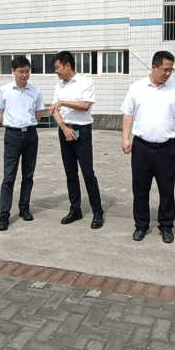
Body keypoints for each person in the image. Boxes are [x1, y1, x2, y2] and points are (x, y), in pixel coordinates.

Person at [121, 51, 175, 243]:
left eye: (171, 70)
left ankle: (166, 226)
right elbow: (128, 114)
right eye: (165, 69)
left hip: (166, 148)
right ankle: (141, 225)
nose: (168, 74)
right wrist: (126, 138)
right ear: (154, 67)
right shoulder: (137, 88)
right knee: (140, 189)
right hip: (141, 147)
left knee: (167, 189)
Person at [47, 51, 104, 229]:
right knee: (70, 173)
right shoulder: (59, 86)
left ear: (68, 65)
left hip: (82, 131)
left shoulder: (85, 81)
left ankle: (97, 212)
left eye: (57, 67)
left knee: (87, 173)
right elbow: (54, 110)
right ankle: (75, 209)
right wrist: (64, 128)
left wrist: (62, 102)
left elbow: (85, 105)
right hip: (65, 130)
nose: (56, 71)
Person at [0, 57, 45, 231]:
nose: (24, 75)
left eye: (27, 71)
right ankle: (4, 214)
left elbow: (38, 114)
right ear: (13, 71)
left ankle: (24, 207)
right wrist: (11, 125)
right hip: (12, 135)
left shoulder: (35, 91)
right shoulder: (4, 90)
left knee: (28, 175)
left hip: (30, 134)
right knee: (9, 177)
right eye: (21, 71)